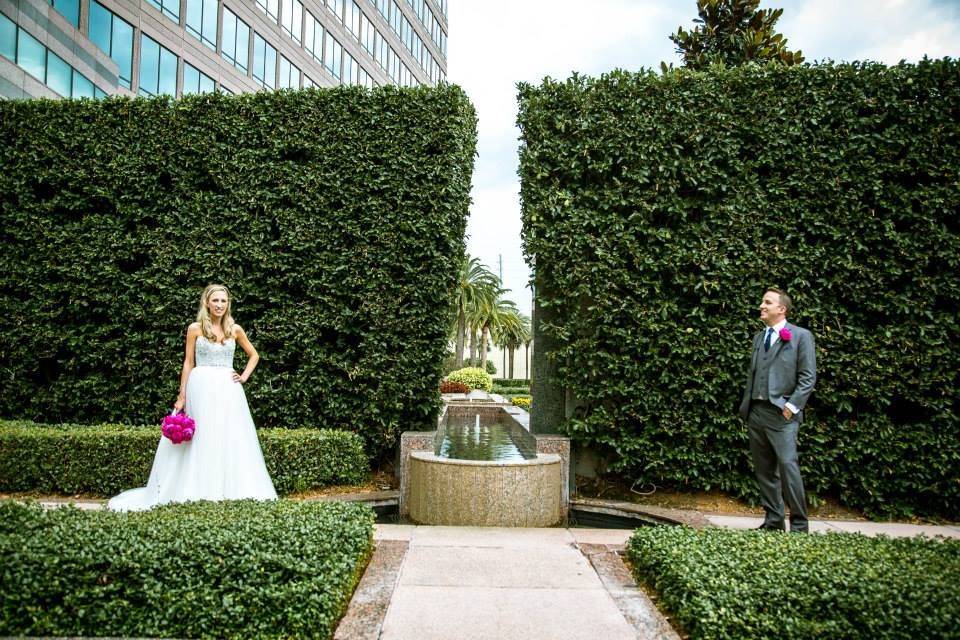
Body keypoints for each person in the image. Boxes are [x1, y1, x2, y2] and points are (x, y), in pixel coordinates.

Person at [109, 284, 277, 511]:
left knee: (229, 435)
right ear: (207, 303)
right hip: (201, 386)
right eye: (215, 301)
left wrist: (244, 376)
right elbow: (188, 362)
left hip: (228, 388)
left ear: (228, 304)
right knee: (202, 435)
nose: (219, 305)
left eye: (223, 301)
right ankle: (196, 488)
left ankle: (228, 489)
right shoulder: (195, 328)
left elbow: (254, 354)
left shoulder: (235, 329)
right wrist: (182, 396)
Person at [738, 288, 816, 533]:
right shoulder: (759, 339)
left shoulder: (801, 336)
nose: (762, 306)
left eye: (767, 302)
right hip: (756, 412)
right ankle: (773, 522)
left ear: (781, 309)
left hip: (782, 414)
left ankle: (800, 527)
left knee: (787, 466)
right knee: (764, 470)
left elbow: (807, 377)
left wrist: (791, 407)